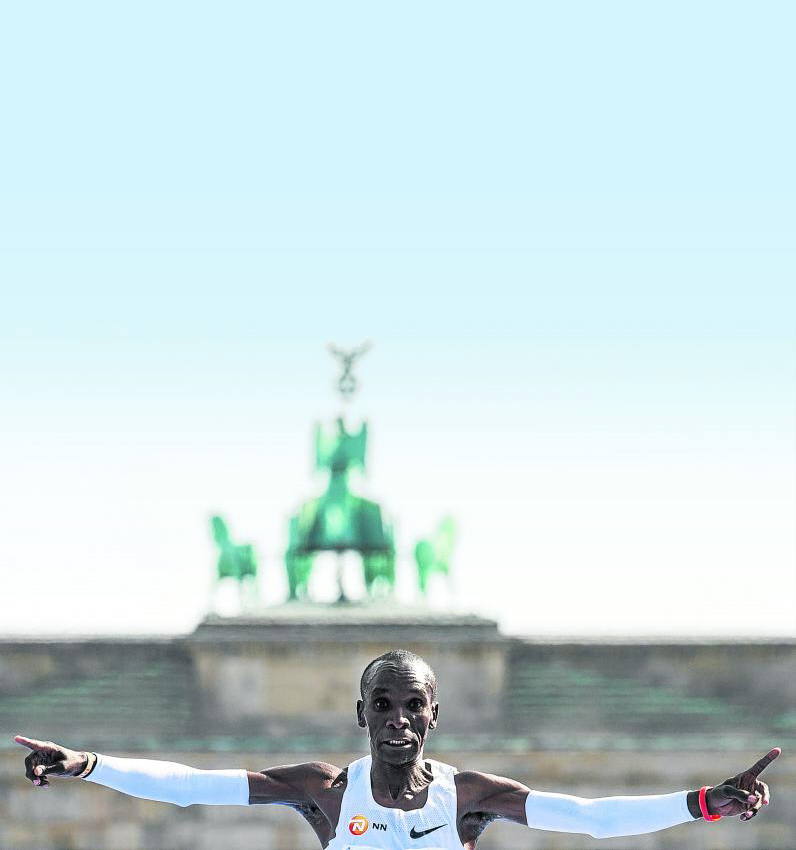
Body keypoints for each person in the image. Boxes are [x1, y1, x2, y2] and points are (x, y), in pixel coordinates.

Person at [16, 649, 780, 849]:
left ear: (433, 715)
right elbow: (190, 786)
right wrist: (88, 764)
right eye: (383, 704)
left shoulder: (469, 798)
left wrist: (705, 803)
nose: (398, 720)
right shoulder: (324, 791)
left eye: (414, 705)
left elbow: (592, 818)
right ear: (361, 713)